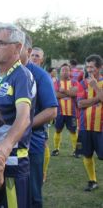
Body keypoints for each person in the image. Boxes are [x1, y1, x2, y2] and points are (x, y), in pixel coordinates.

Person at [0, 25, 36, 208]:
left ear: (17, 47)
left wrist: (6, 146)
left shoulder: (22, 75)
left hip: (12, 159)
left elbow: (24, 117)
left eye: (1, 43)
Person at [20, 35, 57, 208]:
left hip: (32, 143)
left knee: (33, 192)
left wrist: (22, 126)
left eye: (15, 46)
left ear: (27, 50)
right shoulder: (3, 73)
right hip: (6, 143)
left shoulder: (40, 75)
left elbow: (51, 111)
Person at [76, 54, 103, 192]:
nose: (89, 70)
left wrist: (96, 88)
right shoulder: (82, 83)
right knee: (86, 154)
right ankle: (92, 181)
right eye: (87, 67)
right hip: (85, 126)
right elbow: (80, 104)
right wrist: (97, 100)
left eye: (92, 67)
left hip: (101, 127)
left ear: (100, 68)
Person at [52, 63, 79, 157]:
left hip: (72, 112)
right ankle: (56, 149)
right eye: (63, 70)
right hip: (59, 112)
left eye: (67, 70)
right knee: (58, 130)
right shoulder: (57, 83)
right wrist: (69, 93)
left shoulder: (75, 82)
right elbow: (56, 95)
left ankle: (76, 150)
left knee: (73, 131)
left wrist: (63, 91)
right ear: (60, 72)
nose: (65, 72)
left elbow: (75, 93)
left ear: (70, 71)